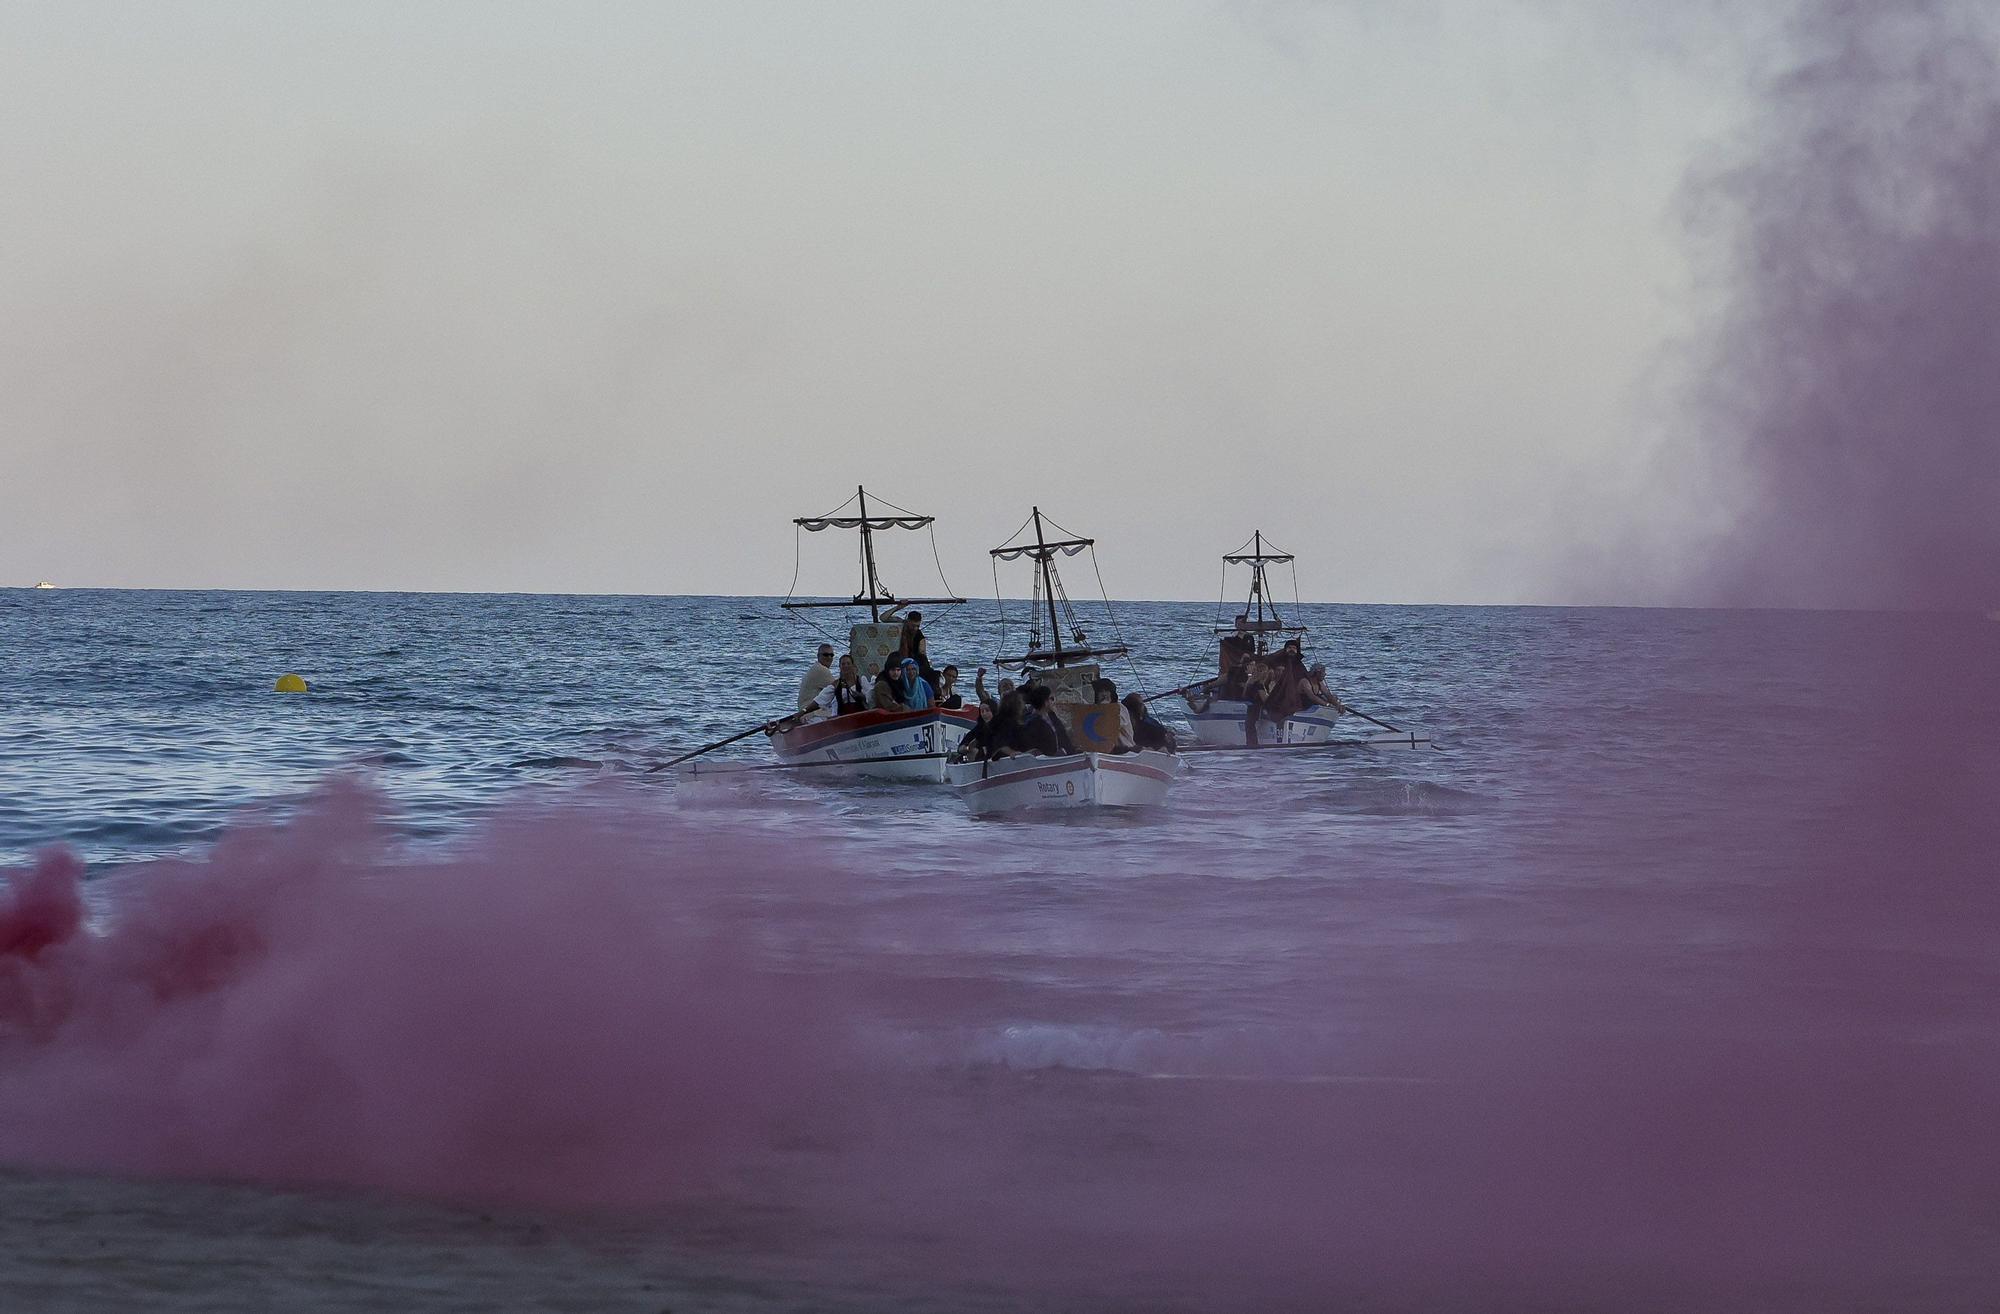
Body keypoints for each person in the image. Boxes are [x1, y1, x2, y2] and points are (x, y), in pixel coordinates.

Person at [811, 653, 870, 718]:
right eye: (843, 664)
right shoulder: (836, 684)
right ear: (840, 666)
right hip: (843, 719)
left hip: (861, 717)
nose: (845, 666)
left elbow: (870, 698)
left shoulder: (861, 681)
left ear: (853, 666)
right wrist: (803, 711)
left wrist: (861, 696)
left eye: (848, 663)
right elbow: (820, 700)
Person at [894, 610, 938, 684]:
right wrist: (899, 607)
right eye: (913, 626)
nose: (915, 628)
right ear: (908, 621)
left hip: (915, 662)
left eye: (917, 626)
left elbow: (922, 652)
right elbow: (883, 617)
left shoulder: (919, 635)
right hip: (901, 659)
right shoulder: (901, 624)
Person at [1092, 678, 1136, 752]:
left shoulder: (1120, 708)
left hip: (1125, 748)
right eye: (1101, 691)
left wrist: (1106, 708)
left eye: (1107, 691)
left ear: (1112, 693)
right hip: (1104, 749)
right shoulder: (1093, 709)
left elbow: (1114, 724)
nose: (1104, 694)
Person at [797, 642, 838, 713]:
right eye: (825, 655)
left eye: (831, 655)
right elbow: (838, 689)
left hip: (806, 709)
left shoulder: (815, 668)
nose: (829, 658)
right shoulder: (821, 670)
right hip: (810, 712)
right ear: (818, 656)